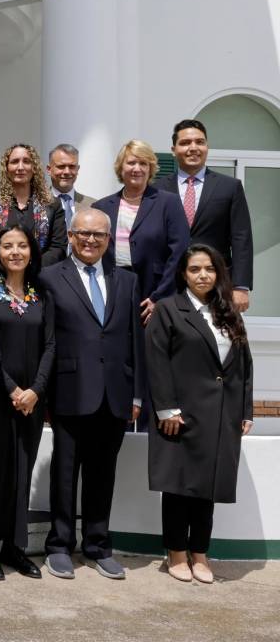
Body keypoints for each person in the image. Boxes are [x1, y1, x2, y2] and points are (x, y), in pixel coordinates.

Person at [39, 208, 143, 580]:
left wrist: (137, 396)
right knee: (65, 474)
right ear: (70, 235)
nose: (90, 240)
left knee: (103, 474)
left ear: (108, 239)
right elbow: (45, 339)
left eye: (98, 235)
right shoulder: (50, 278)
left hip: (115, 393)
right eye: (83, 233)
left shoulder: (127, 280)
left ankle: (98, 544)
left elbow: (135, 340)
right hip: (69, 390)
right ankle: (60, 545)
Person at [146, 245, 253, 584]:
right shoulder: (168, 310)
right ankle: (176, 553)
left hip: (221, 416)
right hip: (180, 413)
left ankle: (200, 553)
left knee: (207, 488)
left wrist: (245, 409)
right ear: (183, 274)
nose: (203, 275)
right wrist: (166, 407)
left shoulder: (229, 313)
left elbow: (244, 366)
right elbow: (156, 360)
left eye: (209, 268)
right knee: (178, 487)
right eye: (195, 269)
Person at [0, 225, 54, 580]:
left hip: (33, 402)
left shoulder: (42, 294)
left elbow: (51, 345)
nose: (16, 252)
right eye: (8, 246)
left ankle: (15, 547)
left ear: (32, 252)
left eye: (22, 245)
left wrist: (35, 389)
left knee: (23, 473)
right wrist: (12, 390)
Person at [155, 119, 253, 312]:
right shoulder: (157, 189)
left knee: (217, 339)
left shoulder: (230, 187)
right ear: (173, 149)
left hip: (215, 283)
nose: (193, 148)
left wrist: (240, 286)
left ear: (207, 147)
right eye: (185, 143)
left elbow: (241, 237)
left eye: (199, 142)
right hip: (168, 284)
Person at [93, 140, 189, 326]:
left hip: (153, 292)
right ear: (121, 168)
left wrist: (159, 297)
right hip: (112, 292)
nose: (137, 168)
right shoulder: (102, 207)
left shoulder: (169, 203)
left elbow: (179, 253)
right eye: (131, 163)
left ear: (151, 168)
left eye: (143, 163)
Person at [0, 143, 67, 266]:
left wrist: (30, 267)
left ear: (34, 167)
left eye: (26, 161)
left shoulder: (52, 205)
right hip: (3, 278)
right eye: (14, 162)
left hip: (42, 277)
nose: (20, 167)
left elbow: (58, 248)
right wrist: (12, 268)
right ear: (6, 168)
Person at [46, 144, 95, 230]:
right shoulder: (37, 203)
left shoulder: (93, 206)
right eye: (61, 166)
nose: (67, 172)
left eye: (72, 166)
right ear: (49, 170)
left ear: (77, 169)